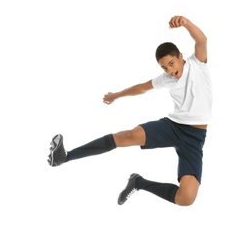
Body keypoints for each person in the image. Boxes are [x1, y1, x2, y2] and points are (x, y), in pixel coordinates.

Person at [48, 15, 213, 206]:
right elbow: (141, 88)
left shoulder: (197, 65)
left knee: (186, 199)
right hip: (174, 127)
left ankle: (138, 182)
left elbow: (201, 40)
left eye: (171, 64)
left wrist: (186, 23)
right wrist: (116, 95)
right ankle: (65, 156)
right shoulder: (165, 79)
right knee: (127, 136)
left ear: (180, 57)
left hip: (195, 138)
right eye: (164, 67)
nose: (169, 70)